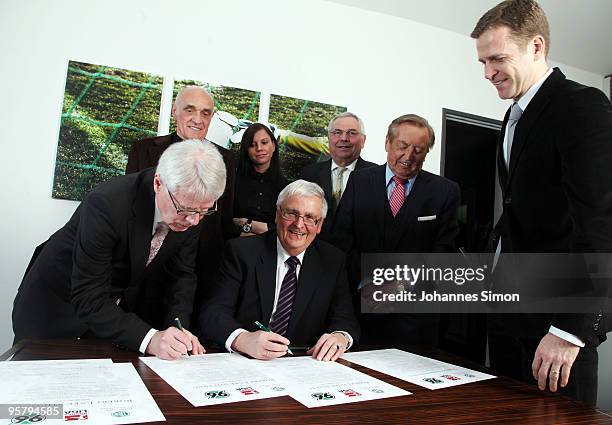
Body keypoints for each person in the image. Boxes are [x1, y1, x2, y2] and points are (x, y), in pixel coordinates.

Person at [471, 0, 612, 405]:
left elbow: (601, 225)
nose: (488, 73)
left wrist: (570, 330)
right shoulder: (510, 119)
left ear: (536, 46)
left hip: (557, 328)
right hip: (510, 314)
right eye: (482, 62)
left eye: (497, 58)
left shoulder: (582, 106)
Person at [13, 140, 227, 360]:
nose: (193, 220)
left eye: (204, 211)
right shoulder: (107, 203)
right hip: (55, 306)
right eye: (185, 210)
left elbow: (181, 276)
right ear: (158, 183)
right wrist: (151, 339)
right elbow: (88, 296)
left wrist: (178, 328)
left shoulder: (191, 209)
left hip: (106, 314)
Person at [331, 114, 460, 345]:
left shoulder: (445, 191)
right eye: (402, 146)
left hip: (415, 319)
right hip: (361, 311)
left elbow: (443, 254)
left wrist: (400, 285)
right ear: (387, 143)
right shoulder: (359, 181)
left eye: (418, 150)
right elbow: (342, 240)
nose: (408, 156)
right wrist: (367, 283)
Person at [200, 180, 359, 361]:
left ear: (320, 224)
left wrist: (340, 337)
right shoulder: (241, 252)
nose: (299, 225)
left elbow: (346, 319)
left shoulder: (333, 260)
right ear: (277, 214)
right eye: (291, 213)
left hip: (302, 365)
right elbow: (213, 312)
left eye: (309, 217)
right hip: (244, 361)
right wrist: (242, 339)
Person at [126, 85, 236, 333]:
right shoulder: (144, 150)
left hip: (199, 271)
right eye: (190, 110)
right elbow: (132, 212)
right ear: (175, 111)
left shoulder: (228, 161)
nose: (198, 119)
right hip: (147, 270)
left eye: (206, 113)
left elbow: (222, 220)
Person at [300, 112, 376, 240]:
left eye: (352, 133)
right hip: (316, 252)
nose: (344, 138)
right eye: (337, 132)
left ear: (363, 141)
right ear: (329, 138)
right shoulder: (309, 174)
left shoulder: (376, 176)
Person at [232, 123, 288, 236]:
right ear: (246, 150)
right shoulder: (233, 180)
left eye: (264, 142)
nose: (259, 148)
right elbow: (225, 220)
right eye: (252, 145)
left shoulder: (285, 187)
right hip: (233, 244)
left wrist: (245, 223)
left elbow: (283, 228)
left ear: (273, 145)